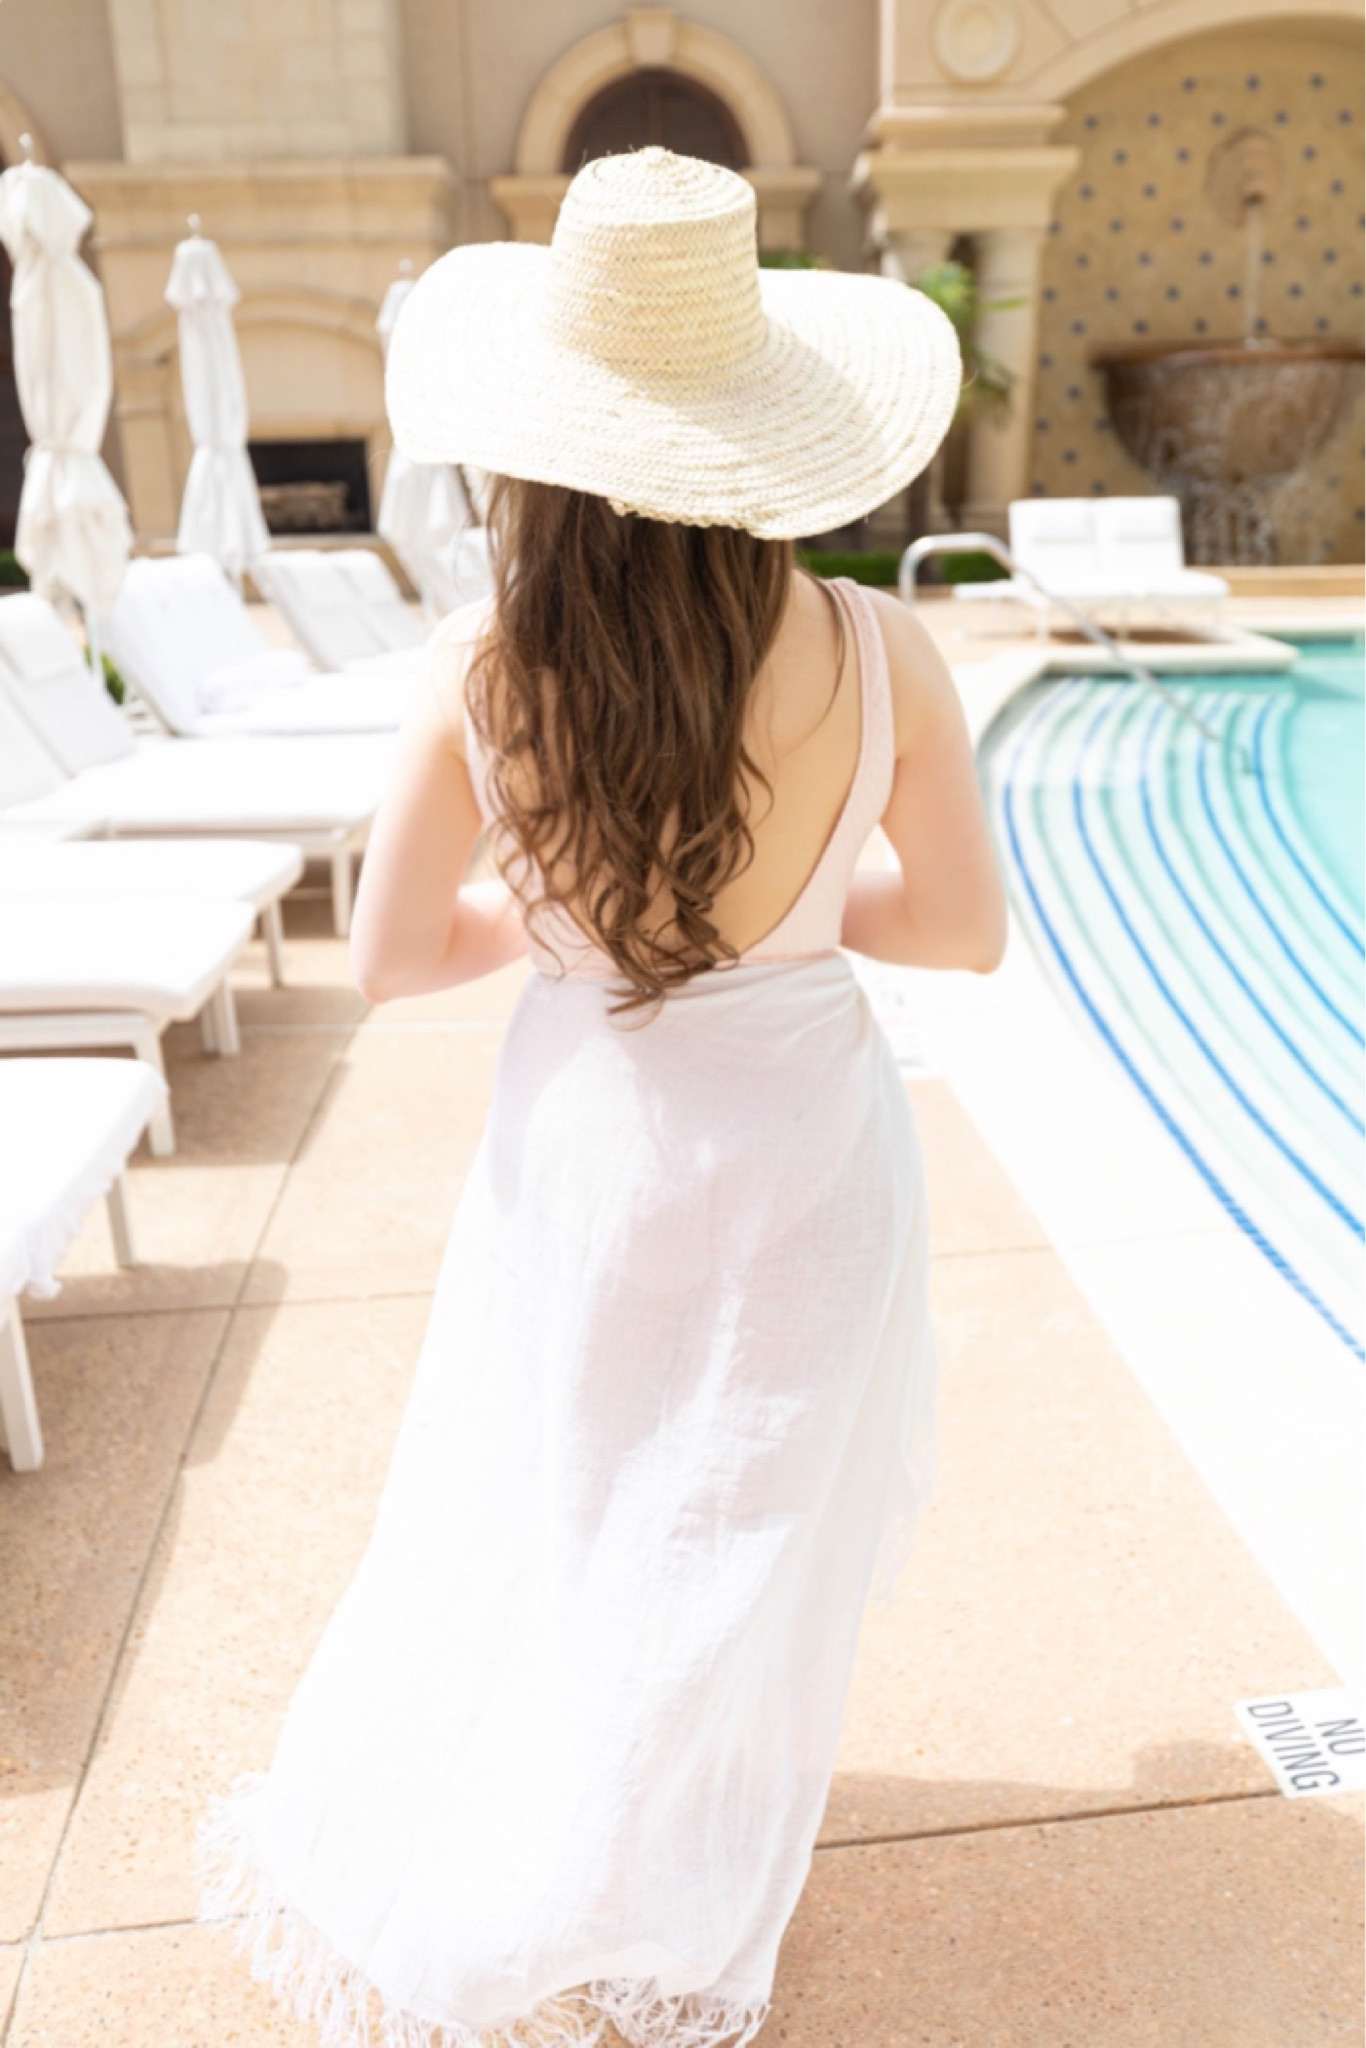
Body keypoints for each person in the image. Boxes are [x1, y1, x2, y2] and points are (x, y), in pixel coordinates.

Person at [199, 147, 1006, 2048]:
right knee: (740, 1514)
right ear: (767, 432)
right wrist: (792, 914)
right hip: (805, 1141)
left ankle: (558, 1840)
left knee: (578, 1495)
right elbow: (960, 932)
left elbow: (393, 957)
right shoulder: (880, 651)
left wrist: (572, 933)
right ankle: (667, 1857)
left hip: (592, 1143)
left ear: (538, 443)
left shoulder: (483, 670)